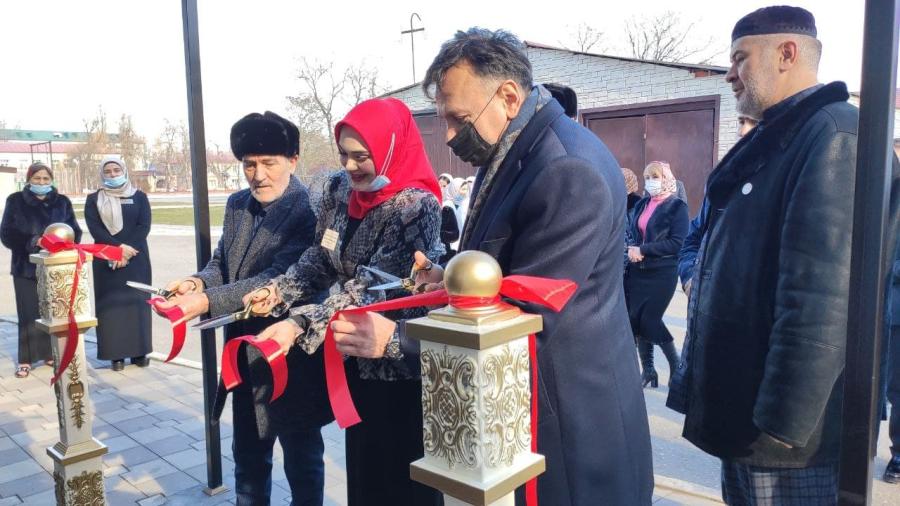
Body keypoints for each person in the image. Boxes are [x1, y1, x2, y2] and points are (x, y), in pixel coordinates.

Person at [332, 29, 655, 505]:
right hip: (526, 404)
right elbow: (505, 266)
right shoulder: (515, 147)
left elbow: (530, 311)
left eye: (458, 119)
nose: (449, 136)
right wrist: (450, 279)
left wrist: (396, 340)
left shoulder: (566, 169)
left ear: (507, 96)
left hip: (567, 423)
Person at [670, 7, 900, 504]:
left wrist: (783, 424)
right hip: (748, 413)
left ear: (787, 54)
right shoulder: (782, 136)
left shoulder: (833, 135)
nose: (729, 74)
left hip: (788, 441)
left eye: (740, 58)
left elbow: (822, 296)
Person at [245, 98, 444, 506]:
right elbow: (321, 256)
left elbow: (373, 287)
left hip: (397, 361)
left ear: (390, 148)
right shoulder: (338, 189)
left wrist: (298, 324)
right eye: (343, 155)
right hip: (354, 356)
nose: (350, 166)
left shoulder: (415, 205)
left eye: (361, 156)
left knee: (400, 479)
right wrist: (279, 290)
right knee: (363, 472)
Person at [155, 111, 330, 506]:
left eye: (269, 163)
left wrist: (204, 302)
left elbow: (276, 277)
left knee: (302, 458)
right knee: (248, 455)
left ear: (293, 160)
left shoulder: (309, 209)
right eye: (249, 164)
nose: (258, 175)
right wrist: (197, 282)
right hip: (243, 354)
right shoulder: (238, 204)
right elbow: (222, 262)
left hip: (291, 352)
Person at [1, 162, 81, 378]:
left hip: (56, 269)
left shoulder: (62, 202)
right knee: (28, 313)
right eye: (37, 178)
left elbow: (75, 231)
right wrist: (34, 241)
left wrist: (63, 242)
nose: (41, 182)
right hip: (25, 268)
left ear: (51, 180)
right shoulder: (15, 201)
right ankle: (25, 359)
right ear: (28, 180)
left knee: (52, 312)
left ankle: (49, 353)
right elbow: (7, 234)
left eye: (46, 178)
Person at [84, 157, 152, 371]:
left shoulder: (139, 197)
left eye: (116, 170)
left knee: (137, 304)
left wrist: (126, 251)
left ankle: (140, 352)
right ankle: (116, 355)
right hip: (106, 259)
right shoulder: (94, 199)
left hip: (136, 258)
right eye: (108, 171)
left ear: (124, 171)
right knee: (111, 308)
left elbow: (144, 226)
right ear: (102, 174)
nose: (113, 174)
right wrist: (118, 249)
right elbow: (95, 229)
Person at [625, 161, 688, 388]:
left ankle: (676, 366)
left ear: (667, 178)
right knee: (636, 319)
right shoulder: (643, 204)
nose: (650, 181)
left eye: (655, 176)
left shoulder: (677, 207)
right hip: (638, 271)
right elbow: (634, 232)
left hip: (663, 272)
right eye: (647, 177)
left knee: (650, 319)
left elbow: (677, 243)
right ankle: (649, 370)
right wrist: (632, 250)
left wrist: (643, 250)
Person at [439, 177, 465, 262]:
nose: (464, 192)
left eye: (444, 186)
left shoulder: (463, 204)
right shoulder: (447, 207)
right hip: (447, 247)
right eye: (462, 189)